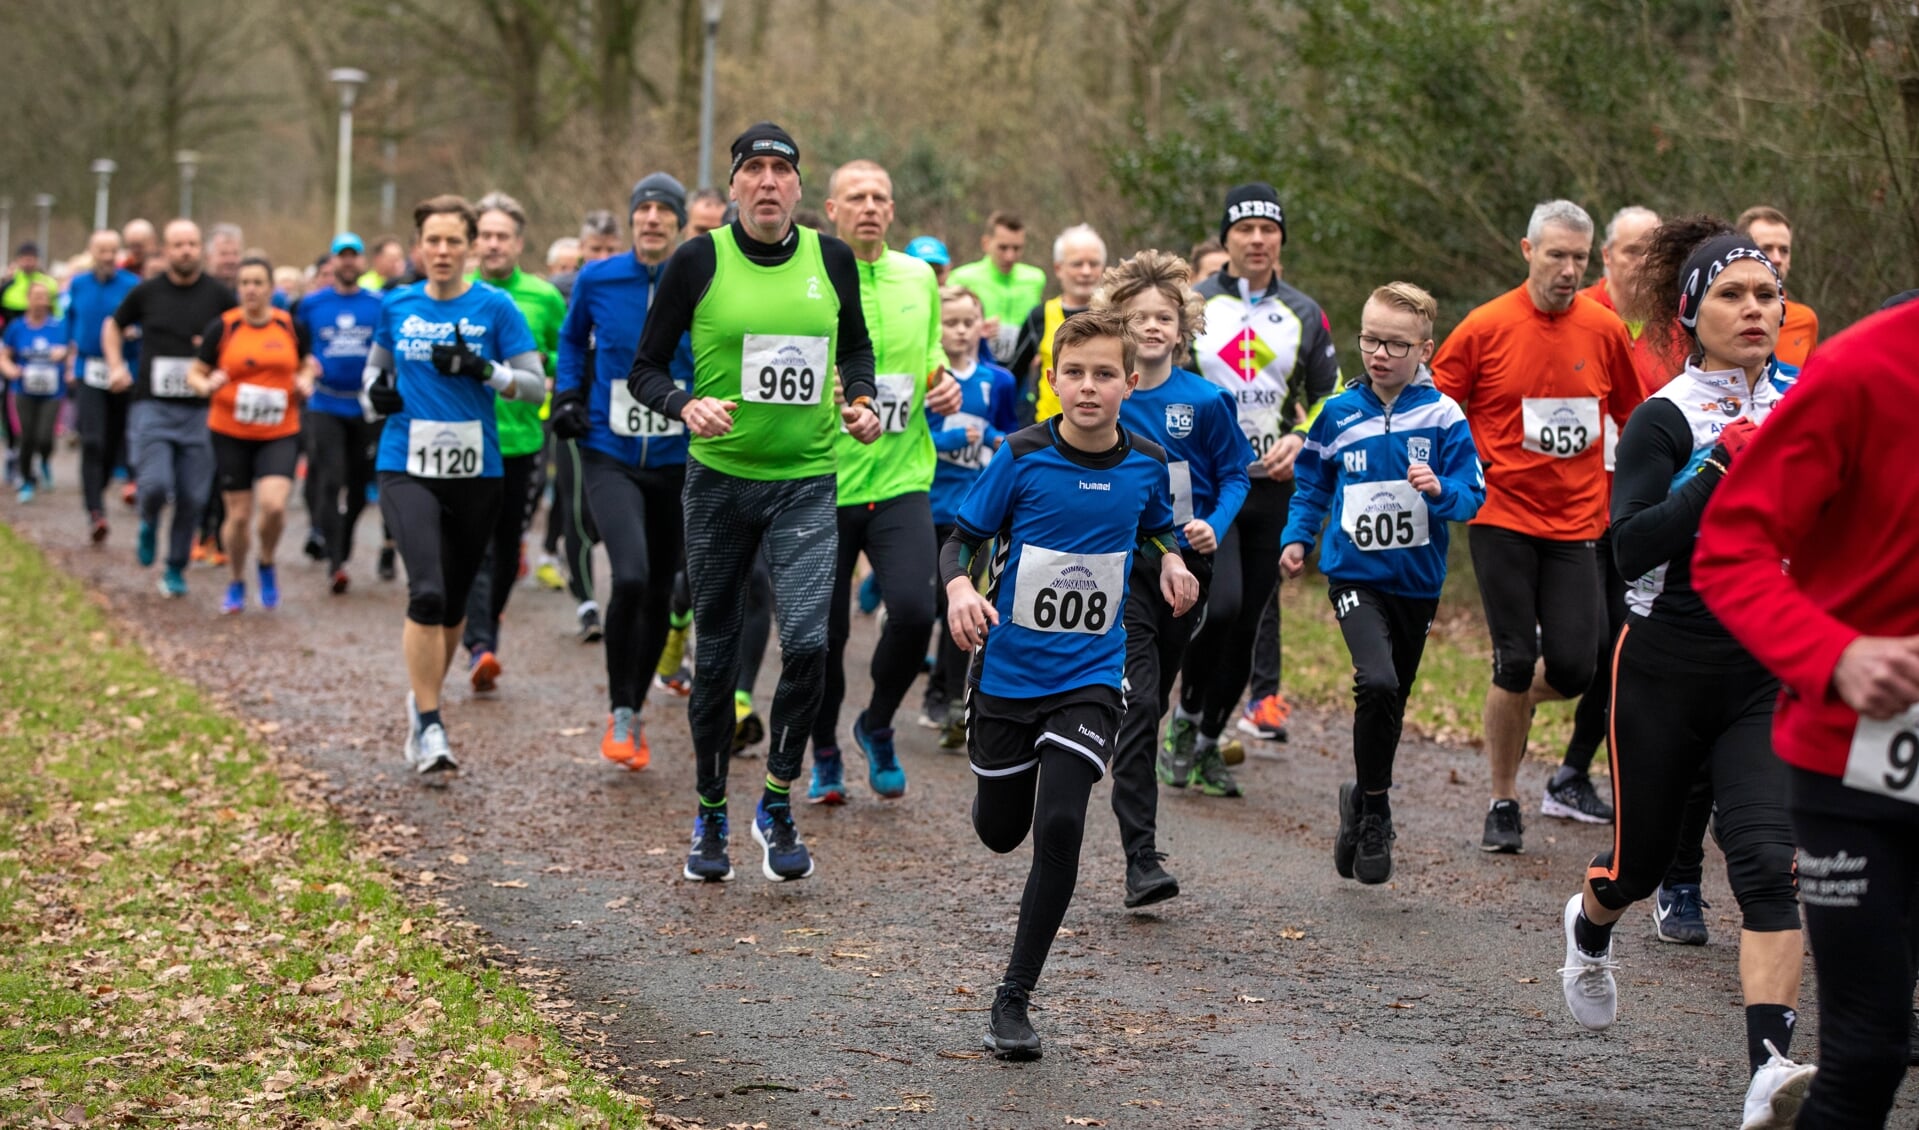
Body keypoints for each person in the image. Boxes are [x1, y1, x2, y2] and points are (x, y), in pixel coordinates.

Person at [1555, 218, 1810, 1130]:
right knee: (1638, 863)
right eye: (1733, 295)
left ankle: (1767, 1071)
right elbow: (1626, 549)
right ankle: (1588, 932)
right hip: (1661, 664)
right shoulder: (1666, 415)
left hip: (1763, 669)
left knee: (1765, 870)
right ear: (1691, 312)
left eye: (1766, 293)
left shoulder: (1807, 404)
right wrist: (1711, 470)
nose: (1754, 307)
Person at [626, 122, 880, 883]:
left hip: (807, 481)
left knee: (808, 645)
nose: (768, 182)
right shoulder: (697, 260)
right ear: (734, 186)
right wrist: (682, 404)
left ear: (799, 189)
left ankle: (774, 801)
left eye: (781, 170)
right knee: (718, 662)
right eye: (754, 170)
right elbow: (644, 367)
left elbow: (857, 348)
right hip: (718, 484)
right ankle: (708, 813)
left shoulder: (829, 258)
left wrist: (861, 398)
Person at [1693, 286, 1919, 1130]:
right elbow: (1729, 548)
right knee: (1867, 1051)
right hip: (1856, 765)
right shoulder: (1861, 368)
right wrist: (1836, 654)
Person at [945, 309, 1198, 1060]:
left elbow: (1156, 523)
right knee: (1000, 831)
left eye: (1104, 373)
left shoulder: (1149, 461)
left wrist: (1175, 559)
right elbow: (963, 539)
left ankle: (1013, 1000)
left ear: (1130, 381)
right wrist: (960, 590)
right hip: (1008, 672)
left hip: (1090, 674)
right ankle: (991, 773)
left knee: (1059, 825)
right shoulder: (1021, 456)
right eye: (1074, 373)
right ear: (1050, 380)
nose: (1088, 387)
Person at [1431, 200, 1640, 852]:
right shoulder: (1485, 326)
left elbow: (1635, 417)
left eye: (1578, 258)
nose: (1568, 269)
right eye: (1556, 255)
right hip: (1501, 517)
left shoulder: (1604, 330)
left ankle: (1508, 700)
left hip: (1577, 521)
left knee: (1578, 667)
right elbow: (1436, 407)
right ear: (1527, 251)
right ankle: (1502, 800)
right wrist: (1459, 474)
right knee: (1515, 656)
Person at [1281, 283, 1484, 884]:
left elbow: (1473, 495)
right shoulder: (1339, 413)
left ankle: (1362, 797)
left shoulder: (1444, 417)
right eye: (1370, 339)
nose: (1380, 354)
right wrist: (1298, 538)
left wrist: (1440, 490)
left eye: (1396, 344)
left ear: (1425, 349)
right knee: (1376, 680)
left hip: (1417, 584)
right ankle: (1377, 812)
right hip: (1354, 575)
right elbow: (1313, 483)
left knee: (1392, 700)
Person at [361, 194, 545, 776]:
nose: (442, 251)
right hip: (405, 464)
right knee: (428, 592)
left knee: (456, 604)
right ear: (419, 247)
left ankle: (422, 706)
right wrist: (375, 397)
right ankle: (433, 721)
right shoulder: (396, 304)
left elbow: (536, 387)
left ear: (469, 247)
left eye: (453, 242)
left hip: (476, 471)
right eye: (432, 241)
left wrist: (483, 370)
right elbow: (373, 374)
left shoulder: (496, 307)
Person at [1168, 183, 1341, 795]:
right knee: (1223, 604)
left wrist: (1301, 434)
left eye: (1270, 229)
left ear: (1281, 240)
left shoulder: (1303, 311)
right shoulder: (1191, 307)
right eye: (1245, 230)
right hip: (1209, 483)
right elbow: (1162, 382)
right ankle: (1183, 719)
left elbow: (1330, 395)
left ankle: (1209, 740)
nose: (1259, 239)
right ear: (1226, 239)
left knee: (1248, 624)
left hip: (1273, 481)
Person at [1095, 250, 1252, 907]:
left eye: (1163, 316)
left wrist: (1214, 522)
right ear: (1119, 325)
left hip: (1193, 561)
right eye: (1138, 317)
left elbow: (1237, 473)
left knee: (1160, 693)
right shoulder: (1104, 392)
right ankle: (1141, 858)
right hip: (1128, 564)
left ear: (1182, 326)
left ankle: (1170, 724)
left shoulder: (1207, 400)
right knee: (1138, 708)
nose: (1152, 326)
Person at [806, 158, 962, 806]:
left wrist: (943, 379)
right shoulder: (810, 273)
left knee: (916, 610)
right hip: (822, 479)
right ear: (831, 208)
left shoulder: (917, 276)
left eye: (880, 197)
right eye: (856, 197)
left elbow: (929, 354)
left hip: (901, 475)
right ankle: (822, 753)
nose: (869, 206)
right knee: (823, 635)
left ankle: (876, 724)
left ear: (891, 211)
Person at [1579, 205, 1715, 939]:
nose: (1636, 264)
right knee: (1583, 657)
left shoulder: (1767, 354)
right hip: (1610, 526)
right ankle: (1580, 776)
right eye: (1626, 250)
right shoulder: (1595, 319)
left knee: (1761, 847)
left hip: (1744, 618)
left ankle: (1687, 880)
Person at [551, 172, 694, 769]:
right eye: (644, 209)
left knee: (662, 588)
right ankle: (619, 709)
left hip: (677, 458)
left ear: (679, 223)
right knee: (630, 576)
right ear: (632, 219)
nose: (653, 219)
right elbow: (570, 340)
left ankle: (633, 708)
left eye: (665, 210)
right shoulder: (598, 277)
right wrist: (567, 396)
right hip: (610, 451)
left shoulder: (698, 277)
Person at [462, 192, 566, 691]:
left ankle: (487, 623)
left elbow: (564, 356)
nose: (493, 244)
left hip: (521, 437)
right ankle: (480, 643)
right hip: (462, 438)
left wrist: (533, 367)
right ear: (473, 241)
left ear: (519, 243)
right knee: (473, 547)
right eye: (485, 235)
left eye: (502, 236)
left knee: (507, 549)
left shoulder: (544, 297)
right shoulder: (454, 292)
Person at [103, 220, 237, 597]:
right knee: (156, 485)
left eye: (192, 244)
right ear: (166, 249)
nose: (186, 251)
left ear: (202, 250)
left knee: (193, 496)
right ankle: (148, 520)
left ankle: (175, 567)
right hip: (153, 405)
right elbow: (112, 327)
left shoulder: (219, 296)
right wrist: (116, 366)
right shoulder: (147, 292)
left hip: (200, 411)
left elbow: (240, 336)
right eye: (178, 244)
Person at [188, 257, 312, 613]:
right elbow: (195, 373)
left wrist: (305, 380)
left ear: (271, 288)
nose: (251, 289)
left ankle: (268, 561)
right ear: (238, 288)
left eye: (258, 282)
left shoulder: (289, 326)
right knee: (239, 516)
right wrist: (206, 383)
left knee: (273, 506)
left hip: (280, 430)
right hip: (231, 431)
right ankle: (237, 578)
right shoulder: (223, 328)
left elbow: (306, 364)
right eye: (244, 283)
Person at [922, 284, 1019, 742]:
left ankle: (946, 700)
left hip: (975, 512)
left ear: (981, 326)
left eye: (968, 322)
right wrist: (951, 441)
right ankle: (928, 685)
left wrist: (998, 440)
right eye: (950, 322)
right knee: (924, 605)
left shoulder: (998, 380)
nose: (960, 331)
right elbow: (913, 436)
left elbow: (1009, 430)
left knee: (961, 602)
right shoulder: (928, 378)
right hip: (923, 502)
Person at [294, 234, 385, 592]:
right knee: (331, 480)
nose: (348, 263)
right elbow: (295, 343)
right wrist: (303, 364)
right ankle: (335, 562)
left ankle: (342, 544)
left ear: (362, 262)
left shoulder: (379, 304)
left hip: (365, 405)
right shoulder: (311, 305)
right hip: (325, 403)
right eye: (341, 256)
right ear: (331, 263)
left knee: (361, 490)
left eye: (354, 256)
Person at [65, 231, 140, 541]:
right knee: (92, 440)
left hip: (123, 371)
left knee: (113, 441)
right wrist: (70, 356)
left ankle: (102, 482)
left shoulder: (132, 285)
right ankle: (95, 511)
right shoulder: (79, 284)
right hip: (89, 369)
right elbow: (70, 319)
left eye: (112, 250)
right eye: (102, 250)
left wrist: (137, 330)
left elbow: (146, 320)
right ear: (91, 252)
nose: (108, 256)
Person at [1014, 224, 1107, 422]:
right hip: (1047, 435)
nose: (1086, 271)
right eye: (1077, 264)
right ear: (1058, 268)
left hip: (1103, 433)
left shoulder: (1116, 317)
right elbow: (1013, 373)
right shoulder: (1040, 316)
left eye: (1094, 264)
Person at [0, 281, 70, 503]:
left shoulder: (58, 326)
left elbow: (72, 350)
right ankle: (28, 481)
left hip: (53, 392)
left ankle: (46, 461)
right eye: (36, 297)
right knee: (26, 436)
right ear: (28, 299)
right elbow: (5, 355)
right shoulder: (17, 327)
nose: (40, 301)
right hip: (23, 390)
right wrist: (11, 370)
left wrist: (65, 353)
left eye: (44, 297)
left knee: (45, 436)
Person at [948, 211, 1048, 363]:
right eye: (1003, 248)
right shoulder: (962, 278)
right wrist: (977, 329)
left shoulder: (1035, 278)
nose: (1010, 256)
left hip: (1022, 368)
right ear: (986, 244)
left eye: (1017, 248)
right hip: (978, 363)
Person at [1737, 206, 1818, 368]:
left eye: (1784, 250)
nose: (1777, 259)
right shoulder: (1717, 316)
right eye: (1766, 249)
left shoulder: (1805, 320)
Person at [1, 243, 58, 323]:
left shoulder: (49, 284)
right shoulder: (7, 286)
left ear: (38, 260)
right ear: (18, 260)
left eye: (31, 259)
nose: (28, 263)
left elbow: (56, 311)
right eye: (25, 260)